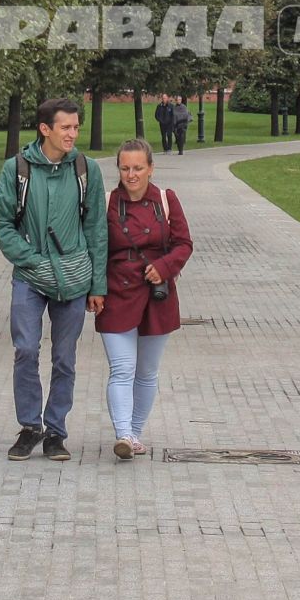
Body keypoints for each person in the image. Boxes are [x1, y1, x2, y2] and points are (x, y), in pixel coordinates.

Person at [0, 97, 106, 463]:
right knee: (25, 350)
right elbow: (0, 223)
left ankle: (55, 431)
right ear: (45, 129)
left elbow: (97, 230)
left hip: (73, 280)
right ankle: (29, 428)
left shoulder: (86, 170)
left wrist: (97, 285)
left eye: (76, 127)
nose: (73, 133)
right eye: (66, 127)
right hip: (30, 277)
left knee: (64, 358)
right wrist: (32, 259)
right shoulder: (17, 169)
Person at [97, 139, 193, 460]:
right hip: (116, 293)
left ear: (151, 168)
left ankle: (135, 432)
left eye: (138, 168)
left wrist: (164, 268)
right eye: (125, 168)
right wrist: (94, 289)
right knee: (122, 368)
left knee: (147, 372)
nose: (131, 174)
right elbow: (95, 249)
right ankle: (123, 433)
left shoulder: (166, 200)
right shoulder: (107, 202)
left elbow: (184, 243)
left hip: (157, 295)